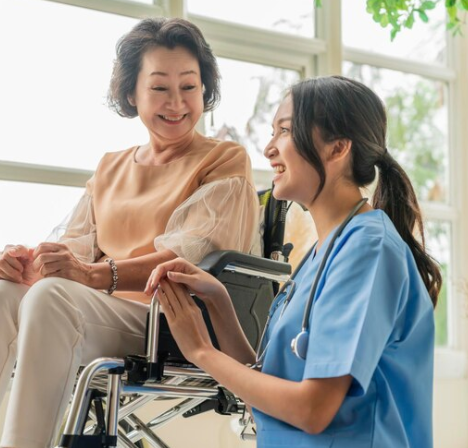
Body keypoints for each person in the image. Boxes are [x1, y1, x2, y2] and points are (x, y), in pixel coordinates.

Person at [0, 18, 260, 448]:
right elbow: (74, 249)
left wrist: (91, 276)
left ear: (204, 91)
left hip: (168, 321)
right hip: (93, 311)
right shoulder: (111, 166)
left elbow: (185, 259)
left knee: (51, 297)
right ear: (131, 94)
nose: (176, 102)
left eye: (189, 87)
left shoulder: (223, 160)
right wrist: (28, 263)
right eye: (159, 87)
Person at [146, 75, 442, 447]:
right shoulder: (321, 255)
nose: (269, 148)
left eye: (284, 131)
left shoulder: (368, 249)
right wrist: (219, 302)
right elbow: (267, 397)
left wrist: (201, 352)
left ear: (337, 149)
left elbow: (312, 410)